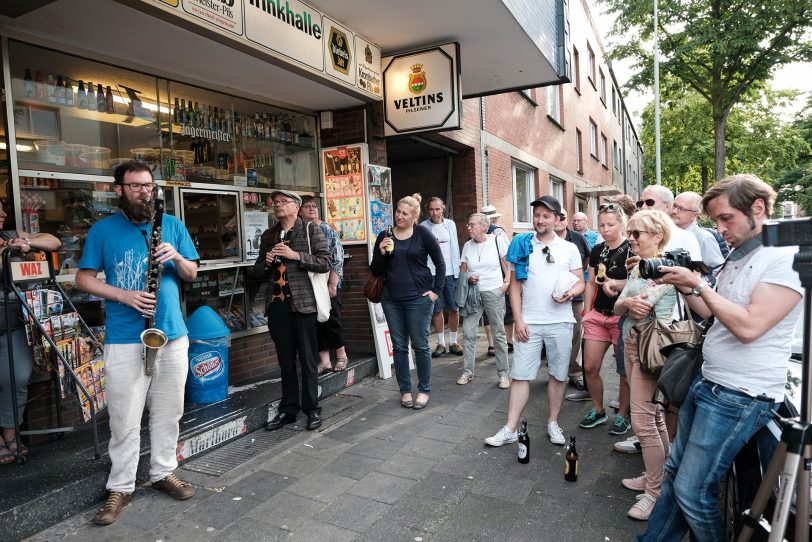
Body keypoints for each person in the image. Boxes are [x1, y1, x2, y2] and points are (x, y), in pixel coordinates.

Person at [639, 174, 802, 540]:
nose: (720, 228)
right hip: (710, 381)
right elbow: (714, 314)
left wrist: (697, 284)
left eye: (726, 218)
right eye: (715, 220)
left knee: (693, 491)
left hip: (740, 393)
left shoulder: (783, 257)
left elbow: (748, 327)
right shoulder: (738, 254)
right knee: (676, 477)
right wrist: (683, 285)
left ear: (757, 208)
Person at [76, 161, 199, 525]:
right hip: (126, 337)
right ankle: (121, 485)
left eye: (148, 186)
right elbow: (83, 279)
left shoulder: (171, 225)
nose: (144, 192)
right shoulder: (102, 231)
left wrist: (176, 256)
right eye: (135, 186)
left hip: (171, 334)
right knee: (124, 417)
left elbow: (192, 272)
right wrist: (124, 296)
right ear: (119, 190)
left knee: (169, 410)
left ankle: (163, 472)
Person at [485, 196, 584, 447]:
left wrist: (570, 294)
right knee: (520, 375)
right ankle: (510, 428)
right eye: (537, 215)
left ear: (557, 219)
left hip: (561, 322)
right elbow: (515, 287)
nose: (540, 220)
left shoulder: (569, 249)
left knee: (559, 375)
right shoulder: (521, 244)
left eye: (546, 216)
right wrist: (518, 321)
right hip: (529, 322)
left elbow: (580, 282)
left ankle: (553, 422)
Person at [613, 210, 677, 520]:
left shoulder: (669, 269)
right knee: (655, 418)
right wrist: (626, 303)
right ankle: (658, 478)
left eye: (637, 234)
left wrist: (630, 304)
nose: (632, 239)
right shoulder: (639, 268)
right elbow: (619, 304)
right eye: (631, 233)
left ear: (657, 237)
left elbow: (647, 308)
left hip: (649, 350)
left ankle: (655, 494)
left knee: (643, 424)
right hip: (630, 343)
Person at [257, 190, 330, 432]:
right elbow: (256, 273)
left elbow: (324, 262)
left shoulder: (310, 230)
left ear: (296, 206)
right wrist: (265, 264)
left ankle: (312, 410)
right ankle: (289, 410)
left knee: (308, 360)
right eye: (275, 202)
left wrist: (295, 255)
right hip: (277, 307)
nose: (277, 206)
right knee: (286, 362)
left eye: (282, 202)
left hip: (303, 305)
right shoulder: (269, 235)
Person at [370, 194, 444, 410]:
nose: (399, 216)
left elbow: (440, 263)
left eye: (404, 213)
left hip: (418, 299)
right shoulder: (385, 234)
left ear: (414, 216)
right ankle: (404, 390)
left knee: (420, 346)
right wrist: (382, 253)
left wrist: (435, 292)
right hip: (391, 299)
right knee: (399, 347)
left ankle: (424, 389)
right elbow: (375, 269)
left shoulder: (423, 233)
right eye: (398, 211)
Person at [0, 203, 61, 464]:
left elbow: (53, 241)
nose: (3, 214)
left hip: (12, 322)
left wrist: (24, 241)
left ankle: (11, 436)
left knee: (17, 378)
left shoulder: (8, 234)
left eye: (2, 210)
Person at [577, 203, 631, 435]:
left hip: (623, 318)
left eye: (611, 224)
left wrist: (617, 285)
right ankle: (598, 410)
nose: (606, 229)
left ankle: (623, 415)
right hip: (598, 316)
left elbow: (640, 282)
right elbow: (590, 282)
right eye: (602, 224)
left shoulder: (631, 249)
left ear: (621, 224)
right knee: (589, 367)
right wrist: (588, 312)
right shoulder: (598, 249)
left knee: (624, 372)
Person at [457, 212, 510, 388]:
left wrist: (506, 283)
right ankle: (467, 372)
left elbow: (508, 265)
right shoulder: (467, 245)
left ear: (484, 227)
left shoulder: (497, 241)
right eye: (469, 224)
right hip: (473, 294)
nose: (469, 227)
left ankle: (504, 374)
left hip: (494, 291)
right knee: (468, 332)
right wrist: (469, 278)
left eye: (472, 225)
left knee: (498, 333)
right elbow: (463, 271)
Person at [298, 196, 348, 373]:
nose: (312, 209)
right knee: (316, 322)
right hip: (308, 284)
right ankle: (325, 361)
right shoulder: (299, 230)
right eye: (307, 206)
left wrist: (333, 284)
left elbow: (337, 257)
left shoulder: (325, 229)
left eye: (314, 206)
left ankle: (341, 356)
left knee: (332, 320)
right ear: (299, 210)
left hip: (327, 282)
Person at [420, 197, 462, 357]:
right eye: (431, 209)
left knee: (454, 307)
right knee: (436, 309)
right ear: (428, 210)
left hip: (451, 272)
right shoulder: (423, 227)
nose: (435, 212)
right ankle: (440, 344)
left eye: (437, 209)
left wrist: (459, 269)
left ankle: (453, 341)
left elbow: (455, 247)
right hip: (432, 273)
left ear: (442, 209)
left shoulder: (450, 224)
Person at [554, 209, 590, 393]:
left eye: (563, 217)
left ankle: (574, 372)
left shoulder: (577, 239)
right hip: (551, 299)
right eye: (557, 216)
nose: (559, 219)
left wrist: (573, 280)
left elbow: (586, 261)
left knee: (576, 333)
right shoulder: (545, 240)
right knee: (554, 335)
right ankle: (556, 371)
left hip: (575, 297)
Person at [481, 204, 513, 354]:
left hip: (483, 279)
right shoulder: (498, 232)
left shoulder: (475, 232)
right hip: (498, 277)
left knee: (487, 313)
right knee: (504, 311)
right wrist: (508, 279)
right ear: (493, 219)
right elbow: (507, 255)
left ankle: (491, 344)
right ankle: (508, 341)